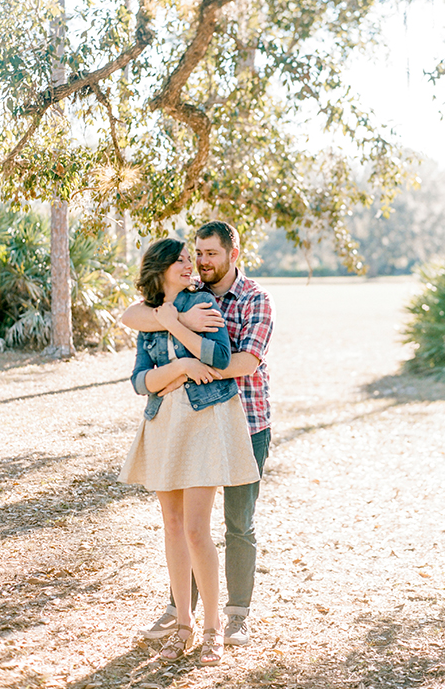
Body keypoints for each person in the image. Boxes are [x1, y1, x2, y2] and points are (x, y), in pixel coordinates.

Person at [121, 221, 274, 648]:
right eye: (195, 254)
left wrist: (184, 370)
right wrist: (171, 336)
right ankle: (179, 611)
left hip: (247, 421)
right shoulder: (179, 303)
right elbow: (134, 336)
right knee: (184, 526)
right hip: (182, 423)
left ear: (232, 254)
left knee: (237, 525)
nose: (200, 261)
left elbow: (241, 363)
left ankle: (235, 616)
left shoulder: (253, 299)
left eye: (208, 254)